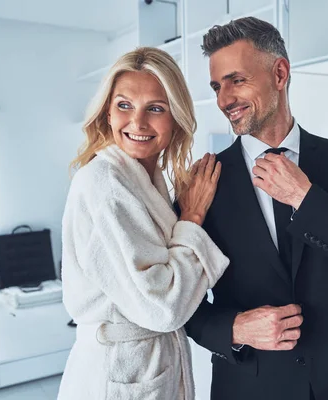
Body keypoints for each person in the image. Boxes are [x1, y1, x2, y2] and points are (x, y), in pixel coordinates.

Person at [183, 17, 328, 400]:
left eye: (236, 80)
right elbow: (179, 304)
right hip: (253, 387)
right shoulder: (203, 184)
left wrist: (307, 200)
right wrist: (235, 330)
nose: (224, 99)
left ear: (280, 73)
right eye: (216, 86)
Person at [58, 47, 229, 400]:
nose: (137, 123)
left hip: (146, 364)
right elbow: (163, 307)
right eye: (124, 105)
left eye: (155, 108)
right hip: (118, 370)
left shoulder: (148, 180)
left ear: (175, 117)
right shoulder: (104, 183)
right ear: (107, 112)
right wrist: (193, 217)